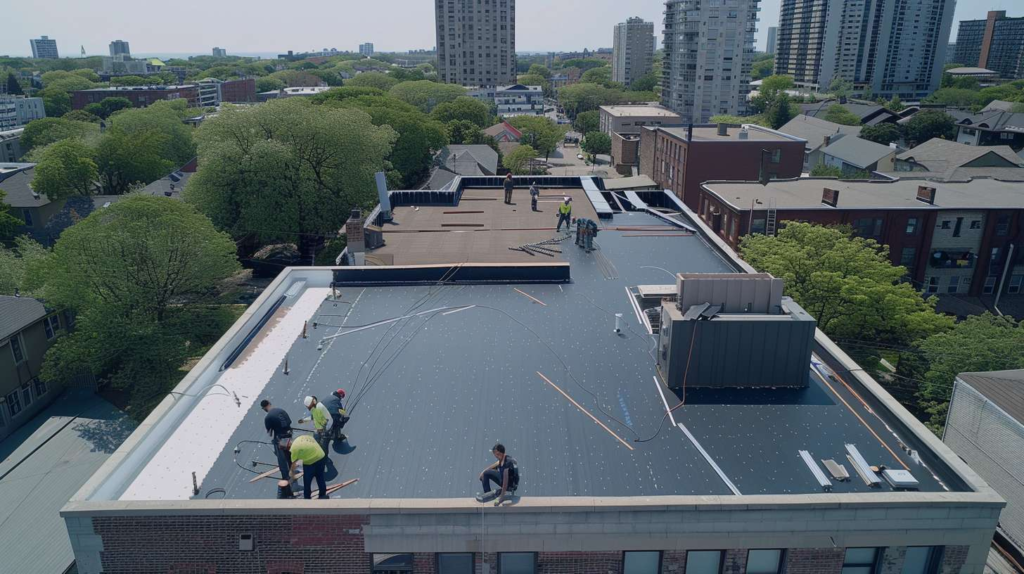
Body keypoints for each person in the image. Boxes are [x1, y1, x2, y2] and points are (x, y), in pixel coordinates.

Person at [261, 399, 293, 481]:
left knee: (281, 458)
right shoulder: (281, 410)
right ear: (270, 403)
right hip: (289, 435)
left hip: (281, 439)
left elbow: (270, 433)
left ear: (264, 408)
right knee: (290, 454)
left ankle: (286, 476)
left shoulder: (268, 417)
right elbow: (289, 422)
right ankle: (293, 469)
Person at [288, 434, 328, 499]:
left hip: (311, 462)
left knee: (307, 481)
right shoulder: (301, 437)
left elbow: (294, 465)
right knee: (320, 477)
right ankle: (323, 495)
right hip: (321, 456)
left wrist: (291, 476)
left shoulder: (293, 449)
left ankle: (307, 498)